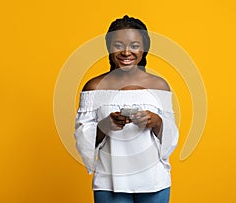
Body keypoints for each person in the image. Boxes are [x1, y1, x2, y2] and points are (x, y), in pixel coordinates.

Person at [74, 15, 179, 203]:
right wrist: (106, 125)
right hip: (110, 181)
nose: (126, 52)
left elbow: (172, 137)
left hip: (154, 181)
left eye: (135, 45)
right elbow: (82, 139)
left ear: (144, 48)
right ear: (109, 47)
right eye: (118, 45)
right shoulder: (94, 87)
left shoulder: (159, 86)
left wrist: (156, 122)